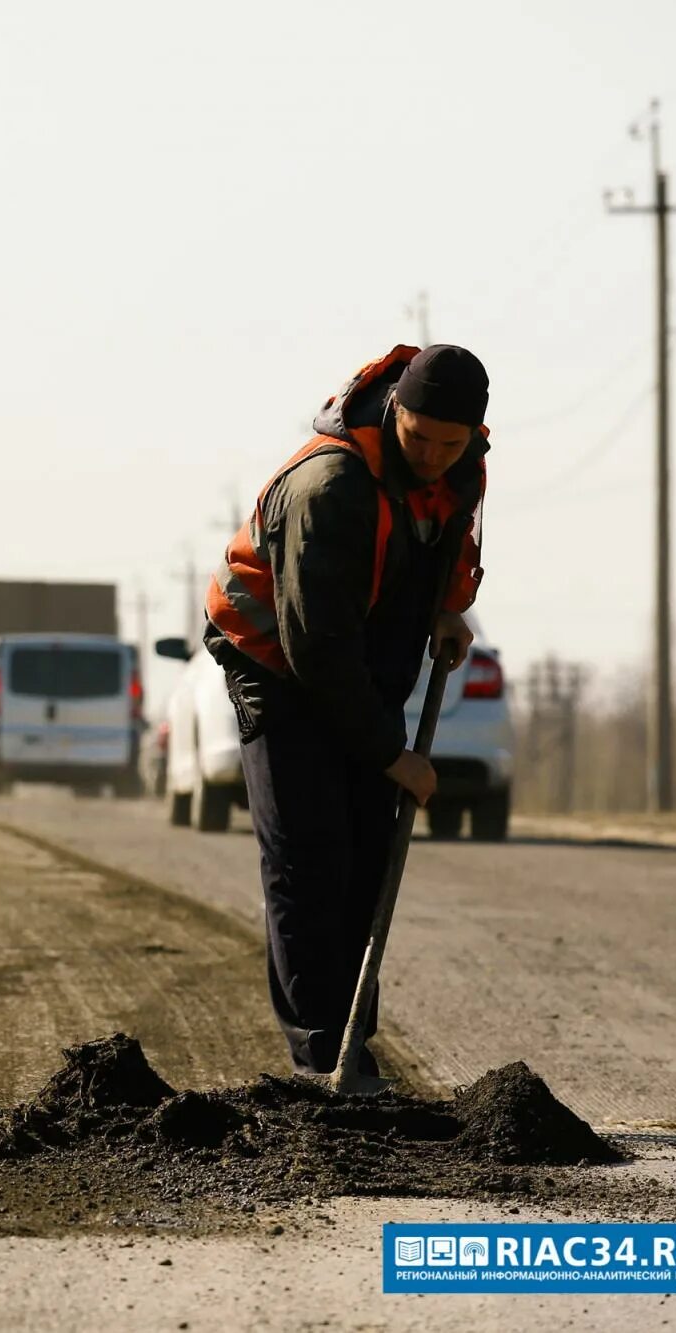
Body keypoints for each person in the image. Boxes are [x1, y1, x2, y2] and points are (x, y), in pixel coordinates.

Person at [204, 344, 489, 1077]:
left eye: (448, 443)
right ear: (394, 410)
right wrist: (393, 756)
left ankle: (350, 1048)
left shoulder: (461, 465)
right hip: (278, 659)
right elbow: (316, 651)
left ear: (473, 437)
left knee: (367, 850)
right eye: (417, 436)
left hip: (359, 655)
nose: (430, 454)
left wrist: (452, 606)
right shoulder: (331, 487)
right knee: (309, 857)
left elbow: (451, 534)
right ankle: (320, 1056)